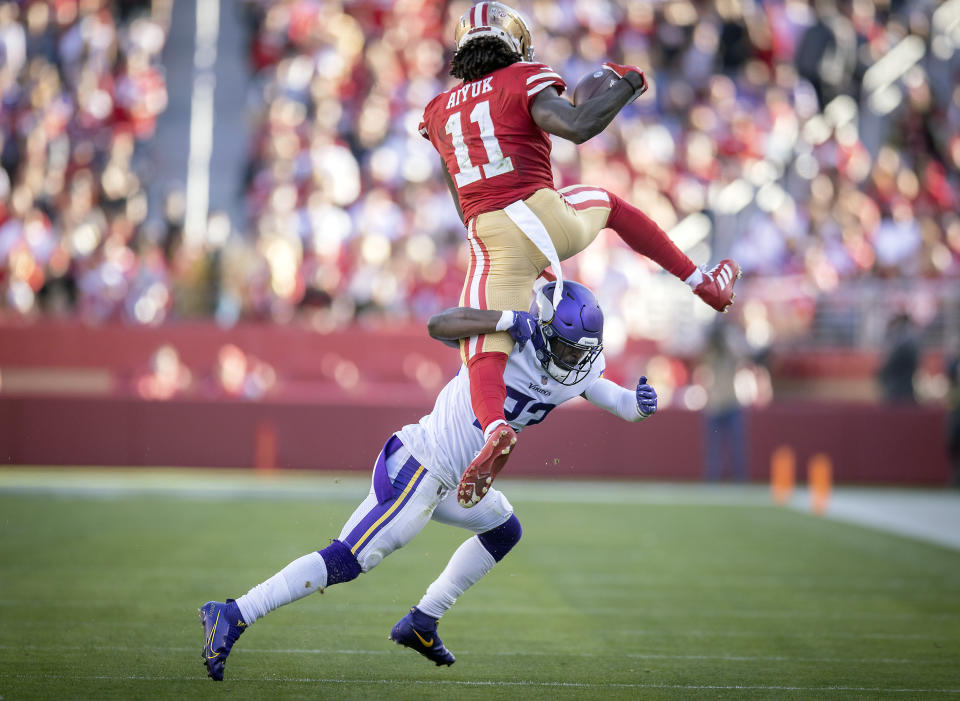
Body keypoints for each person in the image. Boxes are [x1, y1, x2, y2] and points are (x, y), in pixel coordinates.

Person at [199, 280, 660, 680]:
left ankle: (422, 620)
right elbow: (440, 324)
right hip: (423, 464)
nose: (572, 360)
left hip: (459, 481)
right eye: (564, 347)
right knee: (349, 559)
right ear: (541, 331)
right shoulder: (509, 341)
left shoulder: (572, 367)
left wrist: (638, 406)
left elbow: (616, 400)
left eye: (580, 351)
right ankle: (235, 613)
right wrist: (503, 320)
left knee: (504, 530)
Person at [418, 2, 741, 509]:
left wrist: (507, 247)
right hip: (545, 214)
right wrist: (626, 85)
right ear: (513, 43)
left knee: (484, 342)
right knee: (609, 204)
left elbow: (460, 198)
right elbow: (577, 124)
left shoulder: (438, 111)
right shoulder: (521, 77)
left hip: (490, 232)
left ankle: (495, 427)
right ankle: (702, 280)